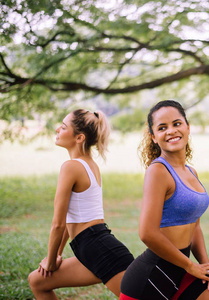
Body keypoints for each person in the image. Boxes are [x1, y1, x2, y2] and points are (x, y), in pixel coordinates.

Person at [119, 100, 209, 300]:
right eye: (162, 127)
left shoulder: (191, 172)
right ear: (154, 137)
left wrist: (206, 268)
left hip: (180, 273)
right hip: (151, 280)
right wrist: (190, 266)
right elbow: (147, 233)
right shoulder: (157, 171)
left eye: (176, 124)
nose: (171, 131)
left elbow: (195, 227)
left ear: (187, 127)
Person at [28, 109, 134, 299]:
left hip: (99, 250)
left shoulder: (71, 167)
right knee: (37, 281)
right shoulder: (89, 165)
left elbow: (58, 224)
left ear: (79, 138)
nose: (57, 129)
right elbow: (73, 217)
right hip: (91, 248)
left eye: (63, 126)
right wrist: (58, 254)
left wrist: (51, 261)